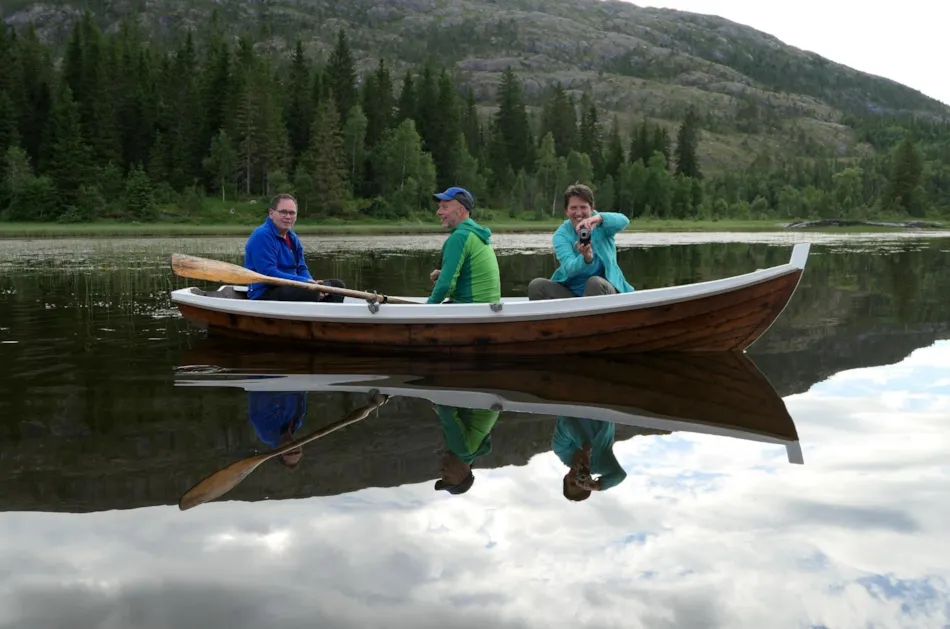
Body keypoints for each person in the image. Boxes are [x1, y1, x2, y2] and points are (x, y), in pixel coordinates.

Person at [527, 183, 634, 300]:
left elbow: (624, 221)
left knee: (594, 283)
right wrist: (586, 259)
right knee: (536, 286)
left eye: (583, 207)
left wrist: (599, 218)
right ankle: (568, 311)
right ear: (566, 211)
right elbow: (569, 268)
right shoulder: (561, 235)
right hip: (571, 293)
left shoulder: (602, 225)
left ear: (591, 208)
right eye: (573, 208)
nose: (578, 213)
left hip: (604, 288)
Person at [244, 193, 347, 302]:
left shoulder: (292, 237)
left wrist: (312, 283)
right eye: (283, 212)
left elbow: (301, 268)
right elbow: (269, 273)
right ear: (271, 213)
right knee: (309, 291)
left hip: (292, 286)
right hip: (265, 291)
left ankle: (324, 311)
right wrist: (304, 283)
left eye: (292, 213)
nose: (288, 217)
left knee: (337, 286)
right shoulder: (262, 236)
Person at [427, 186, 501, 304]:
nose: (438, 212)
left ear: (460, 210)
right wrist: (444, 274)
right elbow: (471, 275)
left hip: (471, 307)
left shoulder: (460, 237)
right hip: (485, 306)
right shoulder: (474, 233)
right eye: (439, 207)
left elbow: (445, 285)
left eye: (444, 207)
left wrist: (428, 307)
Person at [553, 416, 627, 502]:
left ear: (566, 477)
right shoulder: (600, 463)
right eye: (581, 483)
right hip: (606, 411)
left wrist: (584, 445)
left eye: (572, 483)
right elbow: (620, 475)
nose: (577, 480)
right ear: (587, 480)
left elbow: (566, 423)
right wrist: (598, 485)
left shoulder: (560, 450)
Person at [433, 403, 500, 495]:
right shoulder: (461, 450)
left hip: (489, 402)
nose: (441, 471)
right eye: (446, 477)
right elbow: (445, 408)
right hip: (478, 399)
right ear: (462, 475)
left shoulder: (472, 452)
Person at [247, 390, 309, 469]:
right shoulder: (296, 423)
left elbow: (267, 395)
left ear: (279, 452)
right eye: (297, 452)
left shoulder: (267, 433)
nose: (293, 449)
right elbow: (302, 394)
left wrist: (293, 388)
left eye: (289, 453)